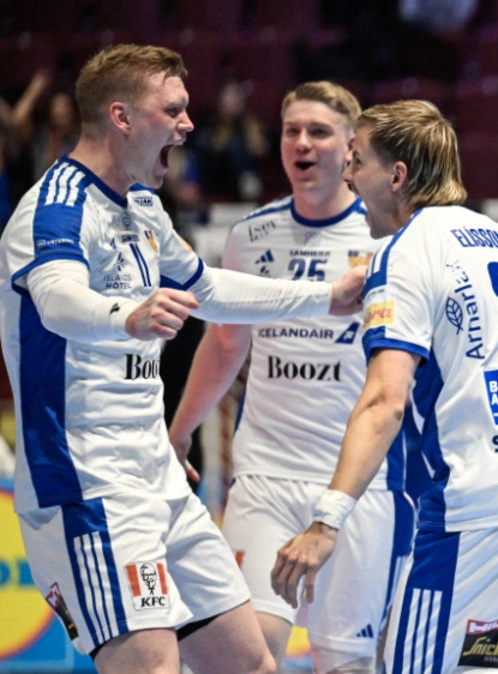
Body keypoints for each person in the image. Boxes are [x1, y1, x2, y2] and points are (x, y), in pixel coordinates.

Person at [0, 44, 365, 674]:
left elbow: (210, 289)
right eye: (172, 110)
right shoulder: (56, 206)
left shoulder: (142, 206)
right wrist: (128, 316)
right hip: (88, 484)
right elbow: (56, 298)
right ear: (121, 117)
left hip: (159, 479)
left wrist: (326, 298)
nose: (188, 124)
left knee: (251, 665)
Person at [269, 100, 498, 674]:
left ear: (397, 176)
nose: (347, 176)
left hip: (479, 510)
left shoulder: (403, 254)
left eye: (357, 161)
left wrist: (326, 521)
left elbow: (384, 402)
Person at [167, 81, 419, 673]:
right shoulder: (250, 236)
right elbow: (225, 342)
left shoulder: (390, 242)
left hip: (357, 484)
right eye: (291, 131)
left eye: (319, 132)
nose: (302, 143)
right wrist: (179, 433)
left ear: (351, 146)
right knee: (245, 655)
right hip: (265, 474)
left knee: (345, 661)